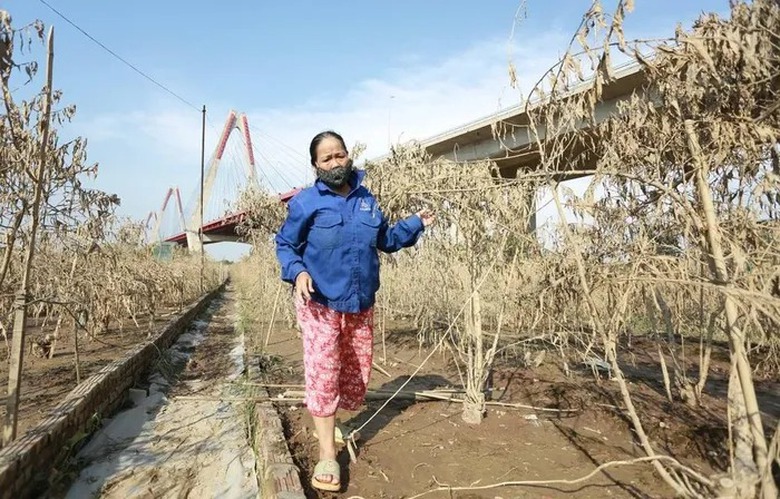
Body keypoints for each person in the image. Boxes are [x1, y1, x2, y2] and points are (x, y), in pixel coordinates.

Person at [275, 131, 435, 492]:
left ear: (349, 157)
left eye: (340, 155)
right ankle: (327, 453)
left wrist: (415, 223)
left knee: (355, 376)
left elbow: (386, 241)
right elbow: (285, 244)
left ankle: (334, 423)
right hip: (321, 305)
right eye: (326, 158)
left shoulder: (367, 200)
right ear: (316, 164)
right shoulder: (305, 202)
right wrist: (298, 271)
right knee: (323, 375)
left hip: (360, 305)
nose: (335, 163)